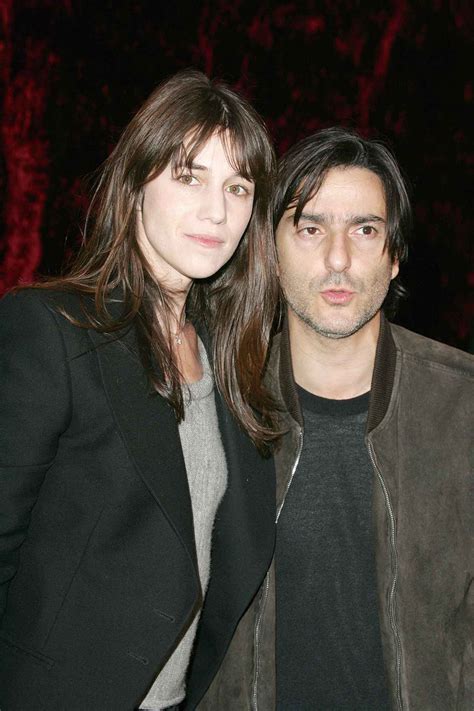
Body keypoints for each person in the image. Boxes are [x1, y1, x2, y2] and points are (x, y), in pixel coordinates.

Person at [0, 70, 281, 710]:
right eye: (189, 176)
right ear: (134, 188)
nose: (217, 210)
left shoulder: (230, 363)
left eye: (238, 187)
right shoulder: (50, 329)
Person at [192, 128, 474, 710]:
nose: (338, 259)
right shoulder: (215, 399)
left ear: (394, 256)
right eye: (311, 228)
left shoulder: (462, 406)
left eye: (365, 230)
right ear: (271, 252)